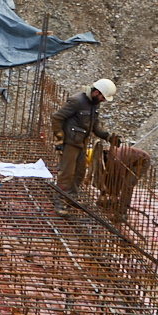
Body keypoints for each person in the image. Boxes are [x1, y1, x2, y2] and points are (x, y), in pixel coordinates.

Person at [50, 78, 117, 216]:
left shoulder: (94, 103)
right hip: (69, 144)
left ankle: (71, 197)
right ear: (96, 92)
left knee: (79, 173)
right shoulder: (77, 101)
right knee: (66, 174)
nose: (103, 100)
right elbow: (57, 117)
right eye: (103, 97)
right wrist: (59, 137)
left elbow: (95, 125)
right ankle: (60, 201)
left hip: (81, 143)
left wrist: (107, 136)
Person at [96, 143, 151, 223]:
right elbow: (107, 177)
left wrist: (114, 194)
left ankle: (122, 213)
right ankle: (111, 201)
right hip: (128, 161)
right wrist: (104, 193)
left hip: (141, 162)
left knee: (127, 185)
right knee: (110, 176)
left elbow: (118, 179)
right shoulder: (105, 156)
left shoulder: (116, 161)